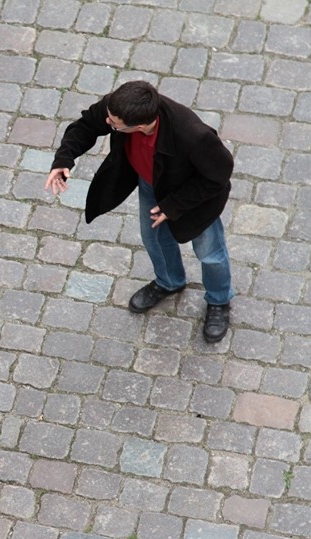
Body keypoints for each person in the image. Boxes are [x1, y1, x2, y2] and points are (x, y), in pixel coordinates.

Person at [44, 80, 235, 343]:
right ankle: (169, 282)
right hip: (151, 184)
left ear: (141, 126)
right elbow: (88, 124)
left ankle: (219, 301)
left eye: (115, 125)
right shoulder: (119, 107)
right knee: (154, 238)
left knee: (209, 252)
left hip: (193, 199)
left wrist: (173, 206)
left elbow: (218, 176)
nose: (108, 124)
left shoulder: (193, 135)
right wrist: (64, 159)